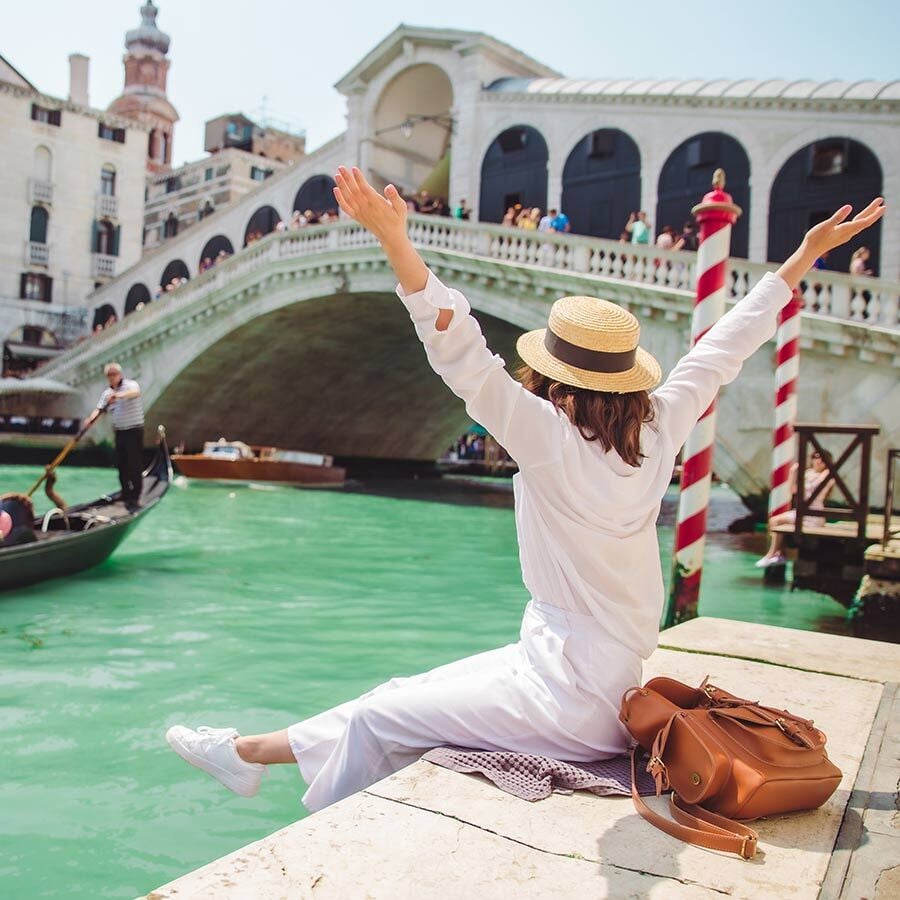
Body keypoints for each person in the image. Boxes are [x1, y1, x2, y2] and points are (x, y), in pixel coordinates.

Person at [165, 166, 883, 812]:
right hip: (604, 679)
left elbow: (462, 354)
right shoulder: (660, 425)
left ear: (552, 379)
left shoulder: (548, 439)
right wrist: (799, 263)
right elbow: (724, 348)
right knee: (392, 700)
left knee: (384, 715)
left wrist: (396, 242)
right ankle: (247, 754)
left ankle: (271, 782)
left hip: (562, 692)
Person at [756, 451, 836, 567]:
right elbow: (794, 491)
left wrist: (824, 470)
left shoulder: (828, 475)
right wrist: (793, 473)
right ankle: (779, 554)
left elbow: (817, 485)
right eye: (816, 457)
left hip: (814, 514)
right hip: (801, 512)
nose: (818, 461)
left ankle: (771, 554)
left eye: (822, 459)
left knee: (779, 523)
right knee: (774, 521)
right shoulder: (808, 473)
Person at [85, 363, 145, 512]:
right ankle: (125, 492)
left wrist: (118, 396)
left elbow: (136, 393)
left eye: (114, 374)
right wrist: (89, 421)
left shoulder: (130, 385)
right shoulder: (106, 394)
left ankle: (135, 495)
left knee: (134, 463)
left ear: (119, 374)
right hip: (120, 432)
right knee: (121, 464)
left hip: (134, 430)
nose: (112, 377)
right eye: (109, 375)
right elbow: (99, 410)